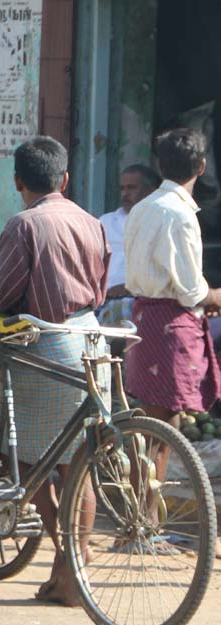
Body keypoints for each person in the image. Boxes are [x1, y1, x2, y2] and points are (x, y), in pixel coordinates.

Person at [0, 136, 110, 607]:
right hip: (94, 344)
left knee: (24, 461)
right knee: (77, 464)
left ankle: (68, 561)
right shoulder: (91, 222)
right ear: (64, 179)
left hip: (47, 349)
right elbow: (100, 287)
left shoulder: (24, 225)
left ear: (18, 181)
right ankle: (74, 567)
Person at [124, 129, 221, 465]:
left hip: (144, 319)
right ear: (202, 166)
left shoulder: (142, 208)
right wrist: (214, 296)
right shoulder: (180, 215)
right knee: (159, 426)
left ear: (160, 164)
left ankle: (147, 504)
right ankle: (143, 507)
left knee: (165, 420)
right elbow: (191, 289)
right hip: (168, 324)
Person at [97, 164, 160, 325]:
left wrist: (128, 288)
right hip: (99, 300)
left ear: (151, 190)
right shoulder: (106, 221)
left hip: (135, 300)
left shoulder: (159, 222)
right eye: (122, 188)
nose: (125, 193)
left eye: (131, 188)